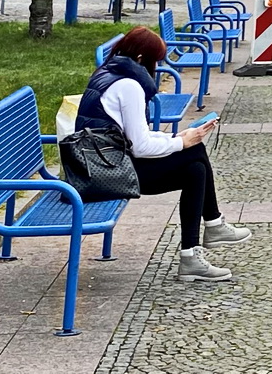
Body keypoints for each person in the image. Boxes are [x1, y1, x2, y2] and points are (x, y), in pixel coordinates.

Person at [75, 26, 249, 282]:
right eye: (157, 61)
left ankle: (198, 247)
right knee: (195, 153)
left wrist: (177, 138)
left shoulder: (110, 73)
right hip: (106, 174)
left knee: (195, 167)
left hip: (99, 163)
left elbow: (135, 137)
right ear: (142, 59)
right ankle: (211, 227)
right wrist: (181, 143)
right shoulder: (129, 86)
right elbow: (140, 146)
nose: (157, 68)